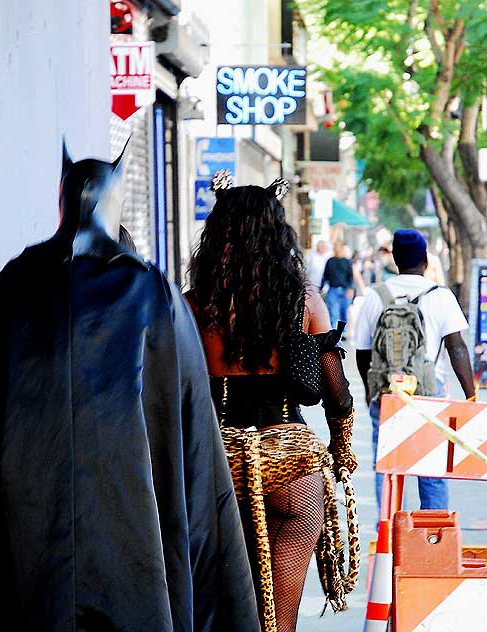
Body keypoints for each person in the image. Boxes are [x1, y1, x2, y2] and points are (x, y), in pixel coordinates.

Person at [0, 143, 261, 631]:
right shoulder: (152, 296)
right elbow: (196, 458)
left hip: (27, 563)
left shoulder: (10, 291)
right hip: (133, 566)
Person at [186, 172, 358, 632]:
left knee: (211, 610)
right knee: (280, 620)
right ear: (278, 232)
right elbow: (337, 397)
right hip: (292, 469)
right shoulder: (305, 301)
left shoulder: (191, 305)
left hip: (214, 466)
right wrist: (342, 449)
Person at [355, 229, 476, 512]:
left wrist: (369, 391)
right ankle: (431, 540)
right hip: (428, 392)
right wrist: (471, 394)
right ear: (424, 260)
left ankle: (387, 537)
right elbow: (456, 347)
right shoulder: (441, 296)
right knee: (432, 470)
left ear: (395, 259)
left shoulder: (376, 296)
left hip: (388, 392)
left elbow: (363, 352)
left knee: (387, 469)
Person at [321, 241, 354, 329]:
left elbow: (350, 277)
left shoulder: (347, 262)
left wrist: (350, 288)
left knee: (344, 312)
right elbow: (325, 276)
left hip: (344, 290)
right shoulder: (330, 261)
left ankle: (343, 332)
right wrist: (320, 288)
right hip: (333, 289)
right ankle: (335, 334)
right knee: (333, 312)